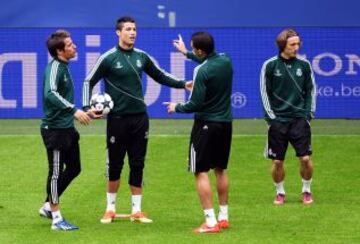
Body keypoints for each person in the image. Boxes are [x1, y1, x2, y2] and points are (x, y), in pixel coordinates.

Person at [82, 16, 191, 224]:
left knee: (137, 163)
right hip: (117, 120)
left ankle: (137, 210)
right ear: (118, 32)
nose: (132, 33)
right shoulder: (108, 57)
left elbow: (160, 75)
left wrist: (183, 84)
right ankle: (110, 209)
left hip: (140, 119)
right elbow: (89, 81)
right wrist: (87, 107)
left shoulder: (142, 56)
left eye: (134, 29)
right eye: (128, 29)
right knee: (115, 164)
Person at [165, 32, 233, 233]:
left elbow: (194, 103)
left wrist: (176, 107)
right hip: (225, 124)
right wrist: (186, 52)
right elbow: (207, 63)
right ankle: (223, 217)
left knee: (200, 171)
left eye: (193, 47)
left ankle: (210, 222)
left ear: (200, 50)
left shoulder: (201, 71)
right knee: (220, 169)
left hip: (205, 125)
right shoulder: (225, 60)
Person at [39, 30, 91, 230]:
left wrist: (85, 113)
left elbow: (63, 99)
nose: (74, 46)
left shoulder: (64, 67)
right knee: (55, 172)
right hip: (55, 130)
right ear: (60, 51)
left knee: (75, 168)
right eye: (70, 45)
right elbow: (50, 93)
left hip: (67, 128)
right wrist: (74, 110)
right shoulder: (54, 68)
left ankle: (47, 206)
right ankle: (56, 219)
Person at [260, 28, 316, 205]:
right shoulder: (270, 65)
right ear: (282, 45)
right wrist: (271, 118)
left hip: (299, 119)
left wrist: (308, 114)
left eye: (298, 44)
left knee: (305, 159)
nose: (296, 47)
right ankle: (280, 192)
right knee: (277, 162)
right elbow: (264, 92)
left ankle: (306, 190)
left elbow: (311, 91)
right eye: (292, 44)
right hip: (278, 121)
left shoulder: (304, 65)